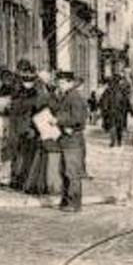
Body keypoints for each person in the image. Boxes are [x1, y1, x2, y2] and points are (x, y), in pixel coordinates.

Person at [54, 70, 89, 212]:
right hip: (66, 139)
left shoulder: (74, 97)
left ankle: (74, 203)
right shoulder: (67, 96)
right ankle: (66, 201)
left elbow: (78, 118)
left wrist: (58, 120)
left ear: (70, 83)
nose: (60, 85)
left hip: (73, 140)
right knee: (64, 171)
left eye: (62, 82)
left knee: (72, 172)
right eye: (59, 82)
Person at [7, 62, 43, 190]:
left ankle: (25, 182)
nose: (28, 81)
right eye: (25, 79)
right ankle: (17, 181)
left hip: (30, 129)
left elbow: (38, 112)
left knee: (27, 157)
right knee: (18, 157)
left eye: (31, 79)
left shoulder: (36, 93)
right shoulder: (17, 93)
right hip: (19, 129)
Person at [101, 67, 133, 148]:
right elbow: (126, 101)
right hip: (120, 112)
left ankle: (112, 142)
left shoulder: (108, 90)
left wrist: (104, 111)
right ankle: (119, 142)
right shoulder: (121, 90)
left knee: (112, 126)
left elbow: (103, 101)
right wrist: (131, 111)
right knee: (119, 127)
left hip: (111, 112)